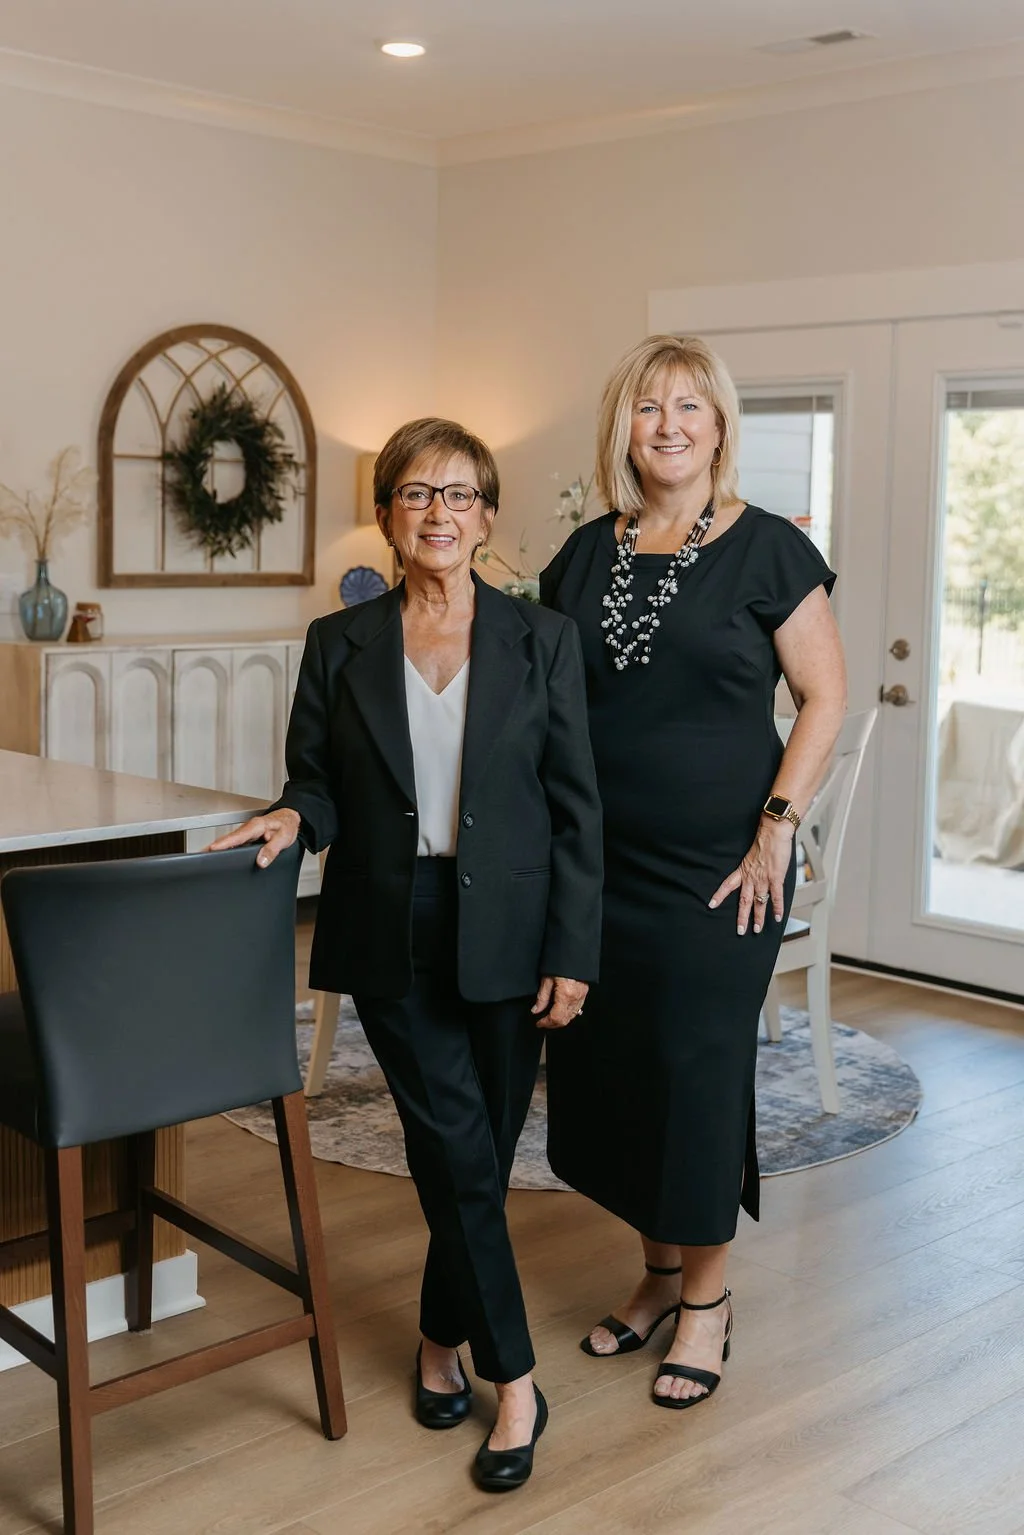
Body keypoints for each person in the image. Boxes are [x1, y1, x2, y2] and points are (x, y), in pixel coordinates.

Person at [212, 417, 602, 1490]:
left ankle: (439, 1339)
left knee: (463, 1153)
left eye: (462, 493)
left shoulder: (542, 638)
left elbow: (577, 806)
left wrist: (574, 945)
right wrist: (294, 818)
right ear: (388, 512)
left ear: (485, 514)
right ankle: (514, 1376)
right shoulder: (340, 642)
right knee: (455, 1137)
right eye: (419, 493)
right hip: (390, 922)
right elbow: (316, 778)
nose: (441, 512)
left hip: (515, 931)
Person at [540, 335, 846, 1409]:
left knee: (696, 1069)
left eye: (688, 407)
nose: (666, 425)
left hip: (724, 866)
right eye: (645, 408)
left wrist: (776, 826)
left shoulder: (769, 548)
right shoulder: (584, 553)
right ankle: (659, 1273)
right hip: (599, 863)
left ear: (718, 426)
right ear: (621, 426)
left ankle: (707, 1303)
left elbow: (825, 697)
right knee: (617, 1066)